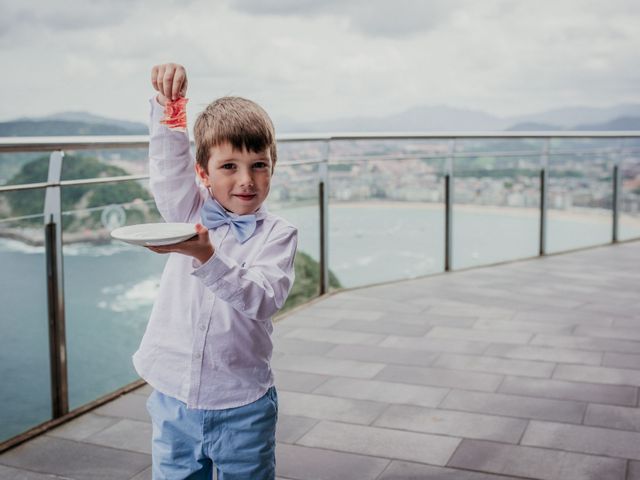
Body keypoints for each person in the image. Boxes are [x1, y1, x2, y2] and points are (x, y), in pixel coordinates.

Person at [132, 62, 297, 480]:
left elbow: (262, 300)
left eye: (259, 164)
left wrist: (209, 258)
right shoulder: (186, 212)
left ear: (272, 168)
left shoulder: (278, 234)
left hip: (243, 402)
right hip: (174, 398)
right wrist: (171, 107)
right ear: (203, 174)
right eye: (229, 166)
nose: (247, 180)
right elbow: (169, 167)